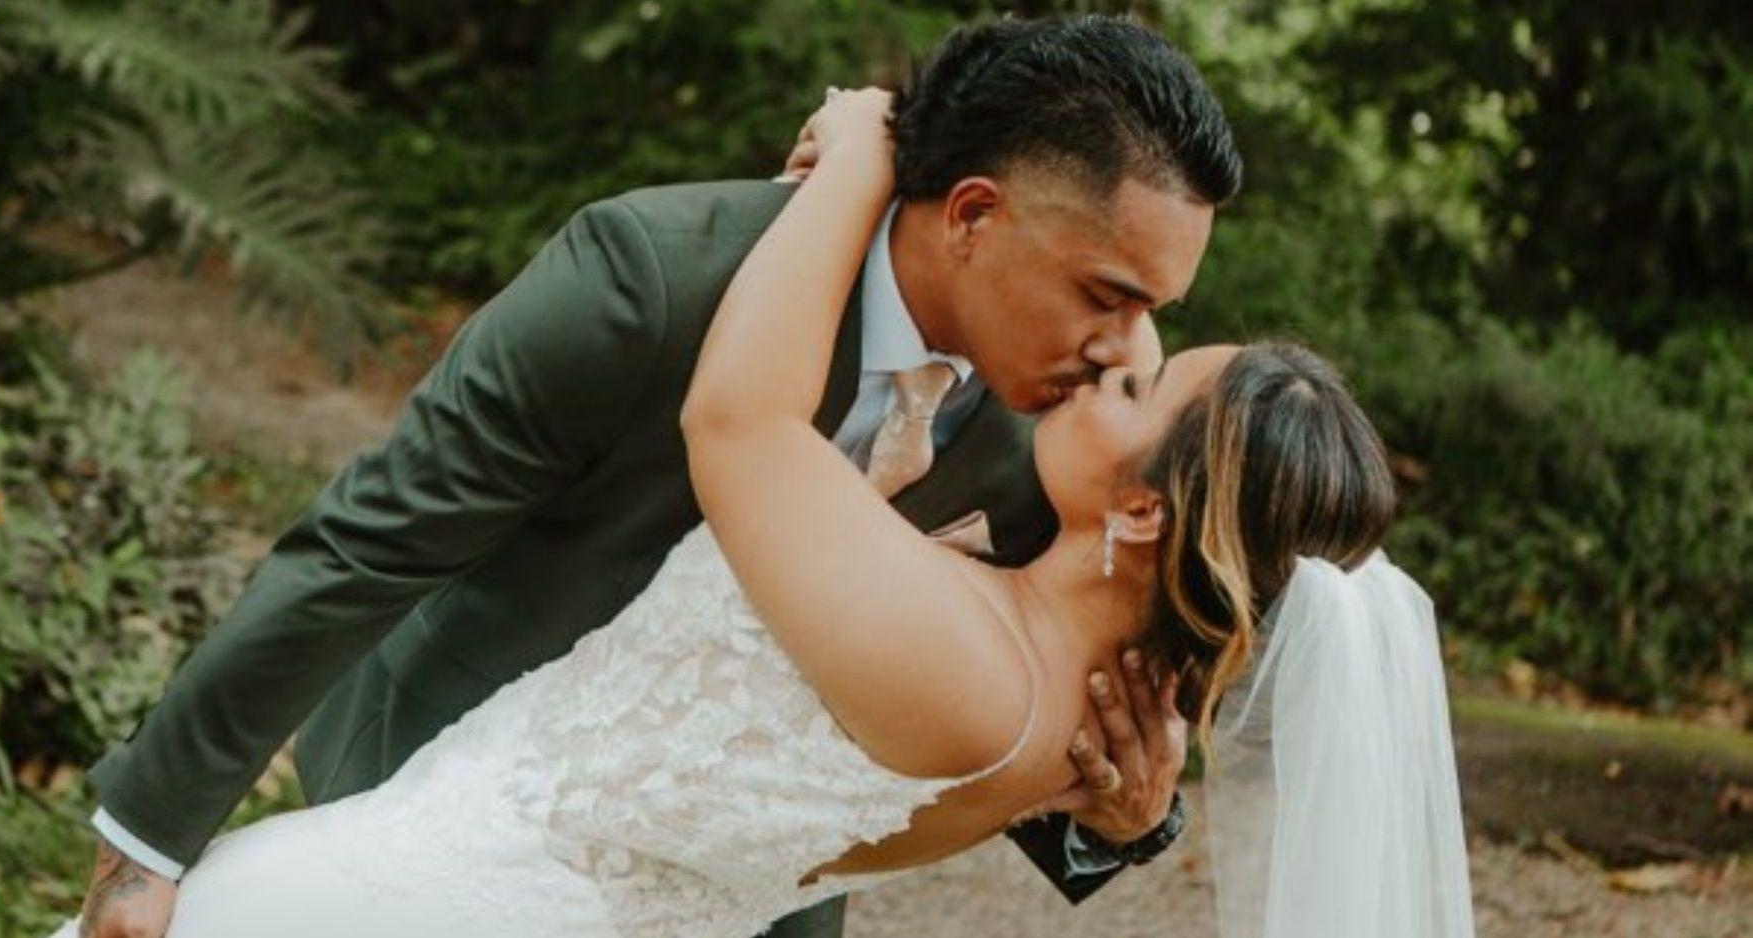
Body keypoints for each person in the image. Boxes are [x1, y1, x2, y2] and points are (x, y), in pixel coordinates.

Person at [86, 15, 1237, 938]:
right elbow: (368, 543)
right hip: (460, 794)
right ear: (975, 215)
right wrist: (148, 838)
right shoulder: (647, 281)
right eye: (1106, 294)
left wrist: (1116, 818)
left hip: (733, 886)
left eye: (1154, 309)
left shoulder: (1055, 442)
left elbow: (1001, 691)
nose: (1125, 348)